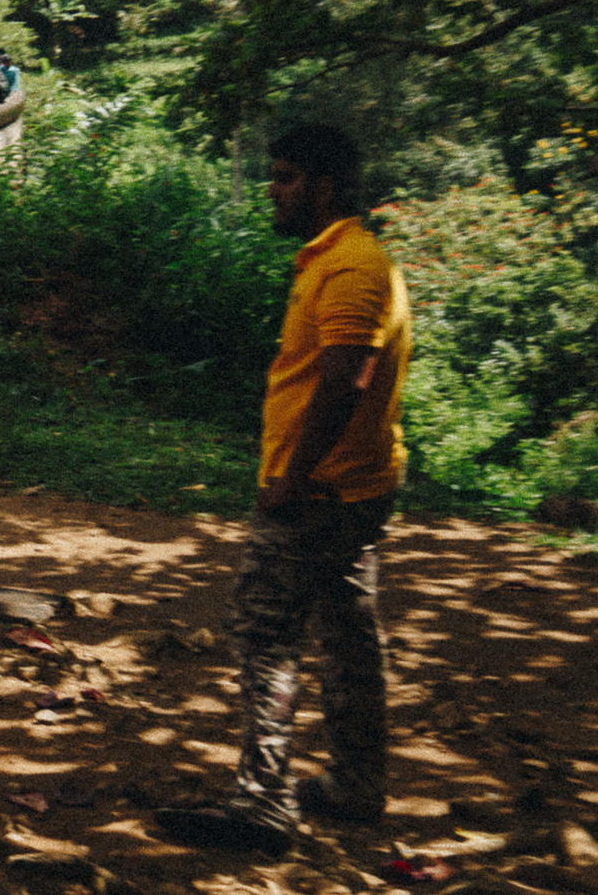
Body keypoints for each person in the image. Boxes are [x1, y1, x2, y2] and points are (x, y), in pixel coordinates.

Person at [156, 125, 412, 857]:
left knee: (266, 632)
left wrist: (292, 479)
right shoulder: (342, 259)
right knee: (348, 636)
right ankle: (356, 788)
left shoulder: (355, 266)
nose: (274, 188)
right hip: (352, 487)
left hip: (321, 494)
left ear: (326, 188)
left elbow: (346, 377)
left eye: (288, 177)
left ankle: (262, 805)